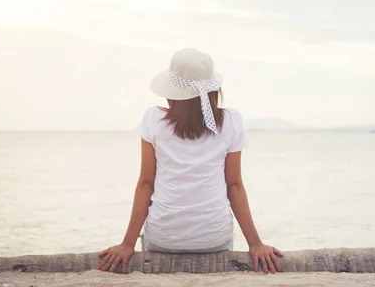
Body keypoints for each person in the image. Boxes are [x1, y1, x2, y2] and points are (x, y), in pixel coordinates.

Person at [98, 48, 283, 274]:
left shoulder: (152, 119)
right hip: (212, 239)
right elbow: (233, 185)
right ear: (214, 90)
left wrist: (127, 244)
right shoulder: (231, 121)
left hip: (164, 238)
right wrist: (255, 244)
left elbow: (146, 183)